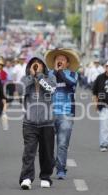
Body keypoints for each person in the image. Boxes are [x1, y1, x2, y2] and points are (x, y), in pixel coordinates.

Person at [19, 54, 56, 190]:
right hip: (29, 122)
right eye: (33, 63)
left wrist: (40, 76)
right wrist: (31, 76)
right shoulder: (25, 79)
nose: (36, 65)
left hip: (47, 122)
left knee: (47, 152)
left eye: (38, 63)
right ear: (29, 67)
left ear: (43, 66)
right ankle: (26, 178)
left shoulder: (50, 78)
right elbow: (20, 90)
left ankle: (45, 176)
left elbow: (51, 89)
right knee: (29, 152)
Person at [45, 48, 79, 179]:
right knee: (47, 144)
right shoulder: (48, 74)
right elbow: (45, 87)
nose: (60, 61)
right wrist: (54, 72)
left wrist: (60, 72)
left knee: (62, 143)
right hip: (49, 113)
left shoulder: (72, 74)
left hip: (66, 114)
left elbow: (72, 84)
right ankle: (48, 167)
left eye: (63, 59)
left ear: (68, 63)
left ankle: (61, 169)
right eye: (57, 59)